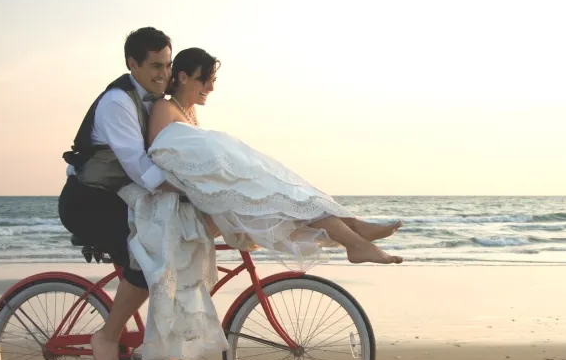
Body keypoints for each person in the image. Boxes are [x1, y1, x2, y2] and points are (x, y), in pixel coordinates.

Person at [142, 47, 405, 267]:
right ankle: (356, 240)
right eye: (205, 80)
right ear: (184, 77)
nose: (210, 87)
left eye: (213, 80)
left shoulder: (188, 114)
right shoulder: (165, 108)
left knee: (295, 195)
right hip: (200, 201)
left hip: (216, 194)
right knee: (288, 201)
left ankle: (355, 229)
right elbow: (161, 157)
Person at [58, 27, 182, 360]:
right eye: (156, 66)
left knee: (167, 245)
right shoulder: (118, 103)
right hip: (87, 202)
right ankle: (107, 338)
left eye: (169, 65)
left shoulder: (157, 100)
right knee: (147, 259)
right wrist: (189, 187)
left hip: (115, 199)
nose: (164, 74)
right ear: (133, 64)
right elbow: (140, 169)